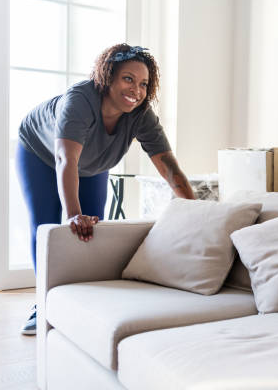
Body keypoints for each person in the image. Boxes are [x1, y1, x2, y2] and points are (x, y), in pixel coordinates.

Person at [16, 44, 194, 335]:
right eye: (128, 79)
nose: (136, 90)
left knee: (91, 230)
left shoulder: (141, 114)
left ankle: (83, 299)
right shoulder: (80, 101)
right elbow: (65, 159)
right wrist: (73, 214)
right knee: (47, 226)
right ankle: (42, 303)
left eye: (143, 83)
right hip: (41, 153)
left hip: (92, 163)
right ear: (108, 77)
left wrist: (195, 209)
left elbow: (169, 166)